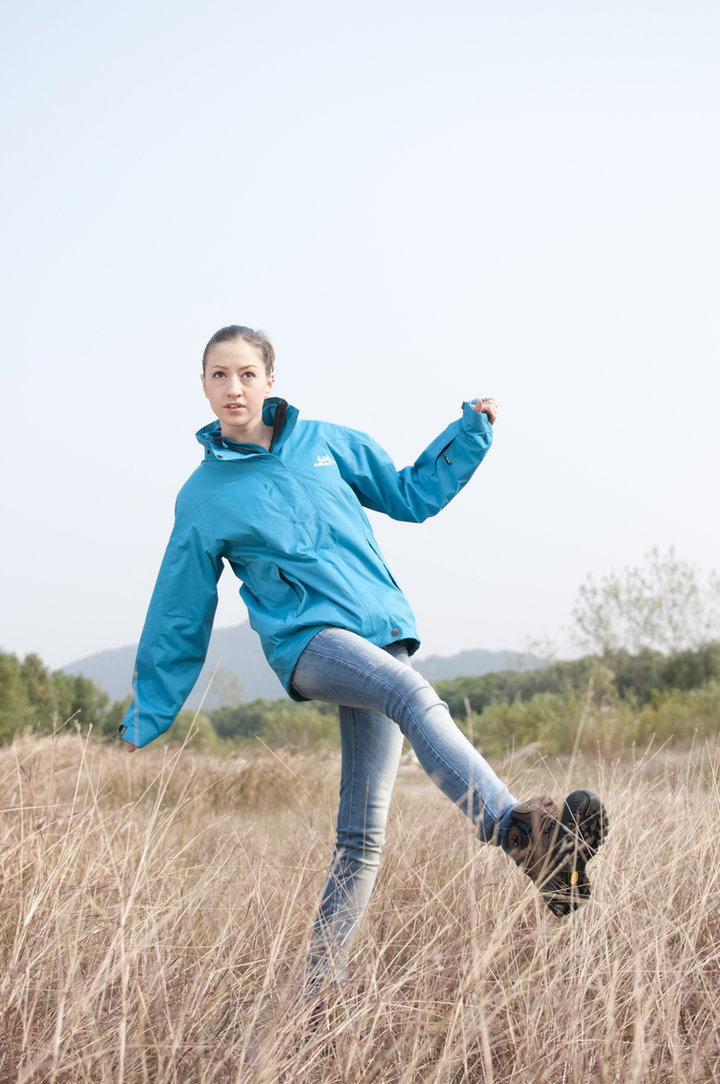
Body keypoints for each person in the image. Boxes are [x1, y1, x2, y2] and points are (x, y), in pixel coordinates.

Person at [119, 324, 608, 990]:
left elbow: (410, 495)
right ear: (203, 386)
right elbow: (180, 609)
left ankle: (318, 992)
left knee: (361, 839)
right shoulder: (202, 496)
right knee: (410, 694)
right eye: (218, 375)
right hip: (308, 642)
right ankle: (523, 831)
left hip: (377, 633)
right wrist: (147, 712)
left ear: (270, 381)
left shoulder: (328, 443)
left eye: (246, 374)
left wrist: (467, 436)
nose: (233, 388)